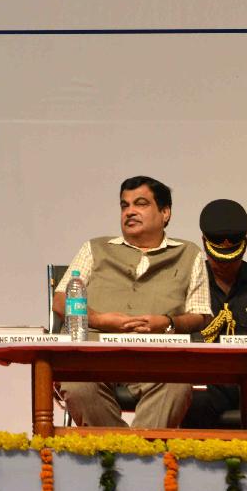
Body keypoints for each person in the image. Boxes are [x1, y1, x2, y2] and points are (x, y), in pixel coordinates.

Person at [52, 176, 210, 428]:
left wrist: (166, 323)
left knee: (177, 386)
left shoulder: (189, 254)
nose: (130, 212)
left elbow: (201, 315)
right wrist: (100, 319)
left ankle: (129, 448)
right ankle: (132, 449)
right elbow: (61, 301)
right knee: (77, 385)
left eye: (141, 204)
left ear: (165, 213)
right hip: (94, 353)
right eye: (124, 205)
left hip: (157, 356)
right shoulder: (95, 248)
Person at [181, 199, 247, 437]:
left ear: (244, 244)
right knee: (191, 400)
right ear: (204, 243)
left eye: (232, 257)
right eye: (218, 257)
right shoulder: (187, 284)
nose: (224, 264)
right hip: (208, 379)